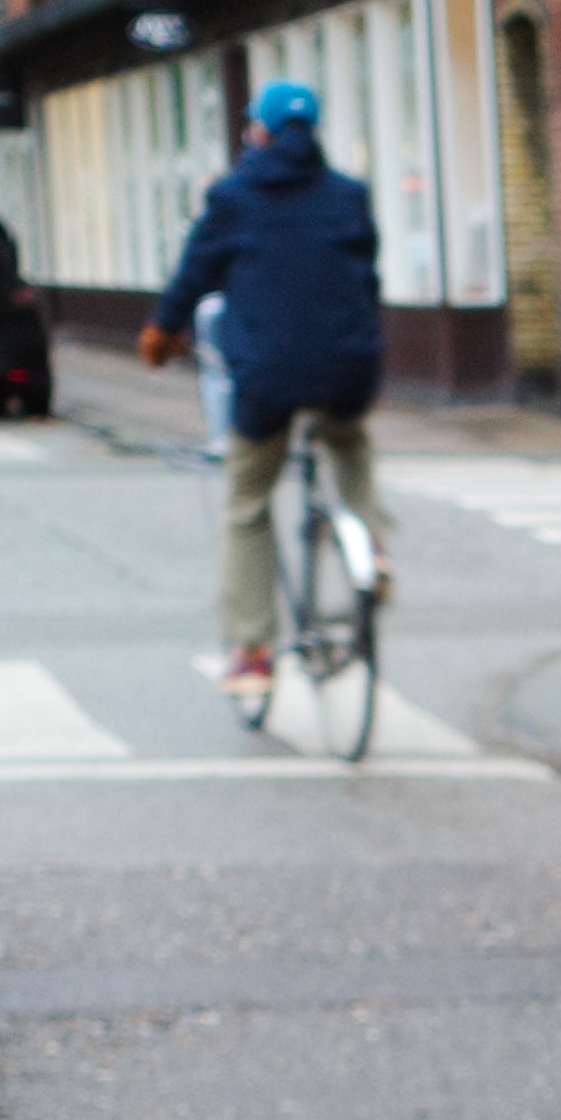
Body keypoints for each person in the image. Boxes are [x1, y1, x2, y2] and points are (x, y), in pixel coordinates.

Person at [140, 78, 386, 688]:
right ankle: (369, 543)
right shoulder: (348, 195)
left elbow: (195, 272)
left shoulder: (234, 196)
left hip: (270, 375)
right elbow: (365, 275)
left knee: (247, 503)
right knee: (348, 437)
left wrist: (163, 332)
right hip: (349, 365)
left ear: (262, 133)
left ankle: (253, 651)